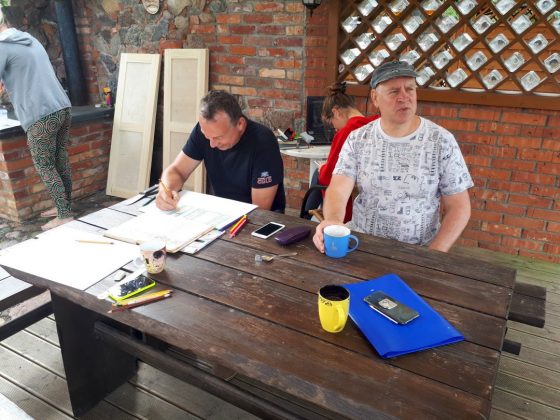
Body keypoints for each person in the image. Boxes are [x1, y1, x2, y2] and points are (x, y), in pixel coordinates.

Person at [313, 61, 473, 253]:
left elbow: (459, 207)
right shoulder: (358, 139)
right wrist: (333, 221)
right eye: (394, 91)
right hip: (362, 245)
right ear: (375, 98)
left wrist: (434, 254)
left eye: (410, 89)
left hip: (419, 251)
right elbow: (338, 189)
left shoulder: (441, 141)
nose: (404, 97)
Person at [0, 8, 73, 230]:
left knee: (45, 165)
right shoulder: (27, 38)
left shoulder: (2, 46)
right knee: (60, 159)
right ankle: (65, 207)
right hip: (62, 106)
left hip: (41, 113)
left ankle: (64, 215)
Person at [157, 90, 285, 212]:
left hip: (259, 218)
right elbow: (177, 170)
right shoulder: (206, 131)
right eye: (207, 136)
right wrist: (166, 190)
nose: (212, 144)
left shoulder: (263, 142)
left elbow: (259, 210)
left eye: (218, 137)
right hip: (222, 210)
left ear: (240, 124)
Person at [318, 82, 379, 222]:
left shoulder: (346, 133)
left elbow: (328, 177)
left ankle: (305, 217)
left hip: (348, 207)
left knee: (319, 173)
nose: (334, 128)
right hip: (370, 199)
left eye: (331, 122)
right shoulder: (375, 124)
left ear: (336, 112)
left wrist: (322, 169)